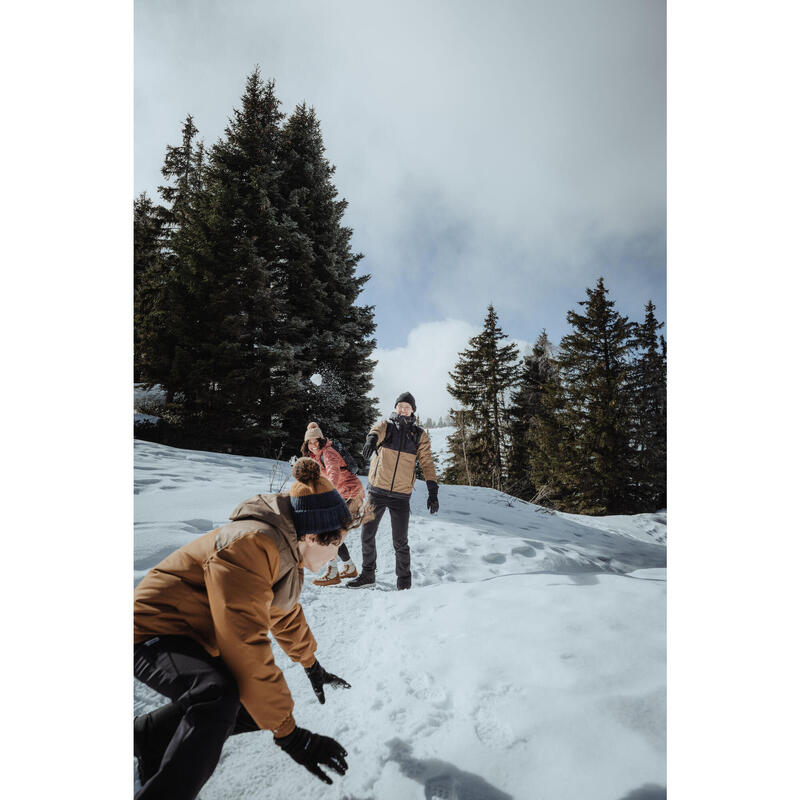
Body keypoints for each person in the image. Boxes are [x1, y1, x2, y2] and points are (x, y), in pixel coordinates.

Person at [133, 458, 363, 799]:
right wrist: (291, 737)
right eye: (336, 545)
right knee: (216, 696)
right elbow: (244, 643)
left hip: (187, 632)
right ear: (314, 536)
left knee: (251, 707)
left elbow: (283, 614)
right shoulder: (251, 545)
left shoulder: (284, 550)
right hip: (151, 626)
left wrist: (311, 664)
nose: (334, 557)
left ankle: (149, 737)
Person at [346, 391, 439, 591]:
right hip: (377, 491)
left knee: (400, 542)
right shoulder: (386, 426)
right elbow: (374, 431)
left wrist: (433, 490)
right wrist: (371, 440)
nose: (404, 409)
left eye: (408, 406)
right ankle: (368, 575)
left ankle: (404, 583)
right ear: (396, 408)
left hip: (401, 496)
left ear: (413, 410)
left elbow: (427, 463)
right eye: (401, 406)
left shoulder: (419, 435)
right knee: (367, 535)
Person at [301, 421, 364, 586]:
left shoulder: (328, 452)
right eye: (309, 442)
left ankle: (333, 571)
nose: (313, 444)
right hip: (344, 494)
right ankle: (349, 567)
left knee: (329, 531)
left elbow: (333, 474)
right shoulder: (315, 455)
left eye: (316, 441)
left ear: (321, 440)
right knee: (332, 532)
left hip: (349, 493)